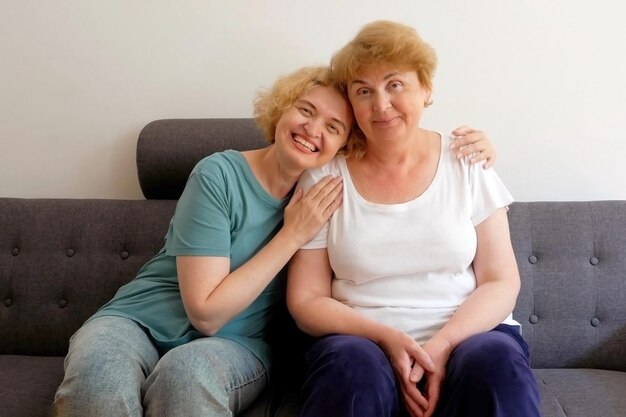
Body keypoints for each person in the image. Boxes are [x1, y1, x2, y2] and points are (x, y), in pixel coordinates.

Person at [52, 65, 495, 416]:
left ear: (345, 146)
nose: (313, 130)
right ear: (281, 110)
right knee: (97, 380)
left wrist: (475, 147)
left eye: (334, 127)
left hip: (236, 345)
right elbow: (204, 312)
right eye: (305, 111)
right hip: (138, 321)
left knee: (187, 376)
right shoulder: (218, 175)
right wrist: (292, 233)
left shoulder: (333, 192)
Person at [287, 20, 540, 417]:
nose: (381, 105)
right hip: (361, 340)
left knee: (496, 368)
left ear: (426, 88)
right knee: (350, 371)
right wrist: (386, 338)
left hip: (470, 335)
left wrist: (442, 345)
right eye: (364, 91)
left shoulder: (467, 162)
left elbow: (501, 279)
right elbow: (305, 298)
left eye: (395, 84)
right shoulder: (325, 174)